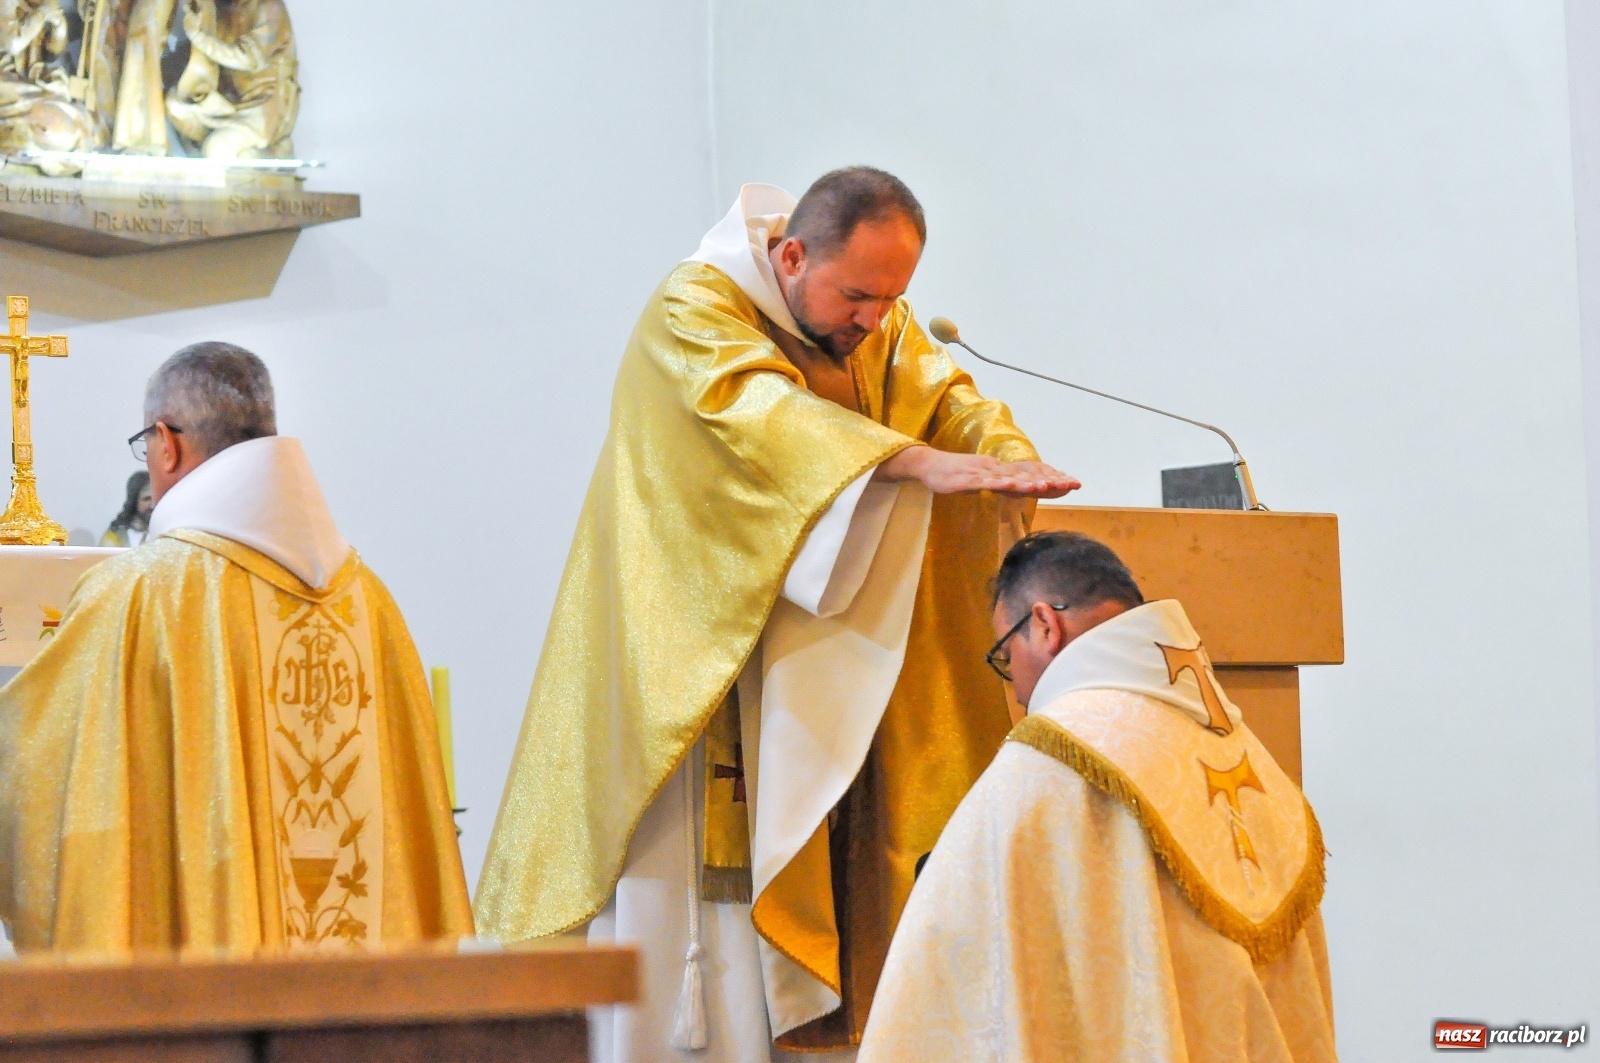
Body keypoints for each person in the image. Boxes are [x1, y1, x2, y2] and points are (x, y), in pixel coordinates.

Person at [476, 167, 1078, 1061]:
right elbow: (762, 413)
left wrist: (1007, 457)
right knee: (688, 916)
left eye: (893, 298)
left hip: (805, 680)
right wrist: (910, 461)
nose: (875, 319)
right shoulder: (693, 309)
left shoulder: (874, 325)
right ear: (791, 256)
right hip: (690, 672)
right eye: (858, 295)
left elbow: (950, 400)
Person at [0, 342, 472, 954]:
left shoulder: (143, 594)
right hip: (363, 1000)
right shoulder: (370, 602)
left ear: (166, 445)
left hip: (213, 998)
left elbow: (49, 782)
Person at [857, 532, 1337, 1063]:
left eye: (1006, 655)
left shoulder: (1051, 758)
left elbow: (949, 962)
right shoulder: (1252, 756)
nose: (1017, 687)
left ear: (1045, 625)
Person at [100, 469, 152, 546]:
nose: (152, 505)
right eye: (147, 499)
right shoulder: (115, 536)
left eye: (155, 498)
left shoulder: (162, 532)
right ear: (134, 501)